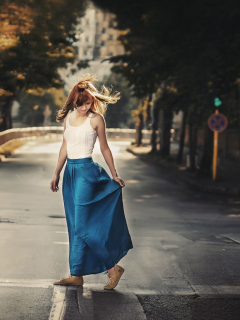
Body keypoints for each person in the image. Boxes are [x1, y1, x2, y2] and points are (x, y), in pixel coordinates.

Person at [50, 74, 133, 290]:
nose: (84, 107)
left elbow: (104, 147)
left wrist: (114, 174)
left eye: (88, 102)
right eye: (80, 103)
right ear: (74, 101)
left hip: (87, 172)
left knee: (83, 225)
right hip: (70, 173)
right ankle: (76, 273)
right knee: (74, 224)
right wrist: (56, 173)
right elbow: (64, 147)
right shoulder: (68, 117)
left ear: (92, 101)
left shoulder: (96, 119)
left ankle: (113, 268)